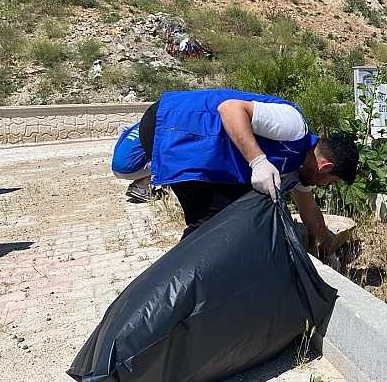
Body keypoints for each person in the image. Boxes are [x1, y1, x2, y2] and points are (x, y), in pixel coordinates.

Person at [111, 89, 359, 272]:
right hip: (173, 124)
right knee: (210, 225)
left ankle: (179, 285)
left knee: (229, 218)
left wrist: (330, 254)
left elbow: (310, 212)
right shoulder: (294, 127)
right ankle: (168, 289)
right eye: (330, 181)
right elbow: (230, 109)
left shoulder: (297, 171)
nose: (324, 187)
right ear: (326, 167)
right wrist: (258, 161)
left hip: (201, 153)